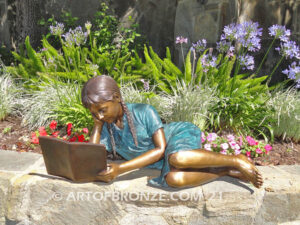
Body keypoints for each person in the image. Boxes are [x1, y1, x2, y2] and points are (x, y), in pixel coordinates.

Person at [81, 75, 263, 188]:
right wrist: (97, 126)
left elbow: (160, 150)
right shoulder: (106, 127)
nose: (99, 116)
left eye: (102, 109)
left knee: (177, 158)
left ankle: (236, 160)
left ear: (117, 98)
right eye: (94, 113)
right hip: (163, 162)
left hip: (177, 136)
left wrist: (121, 168)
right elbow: (90, 160)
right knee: (173, 180)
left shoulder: (143, 111)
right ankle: (224, 171)